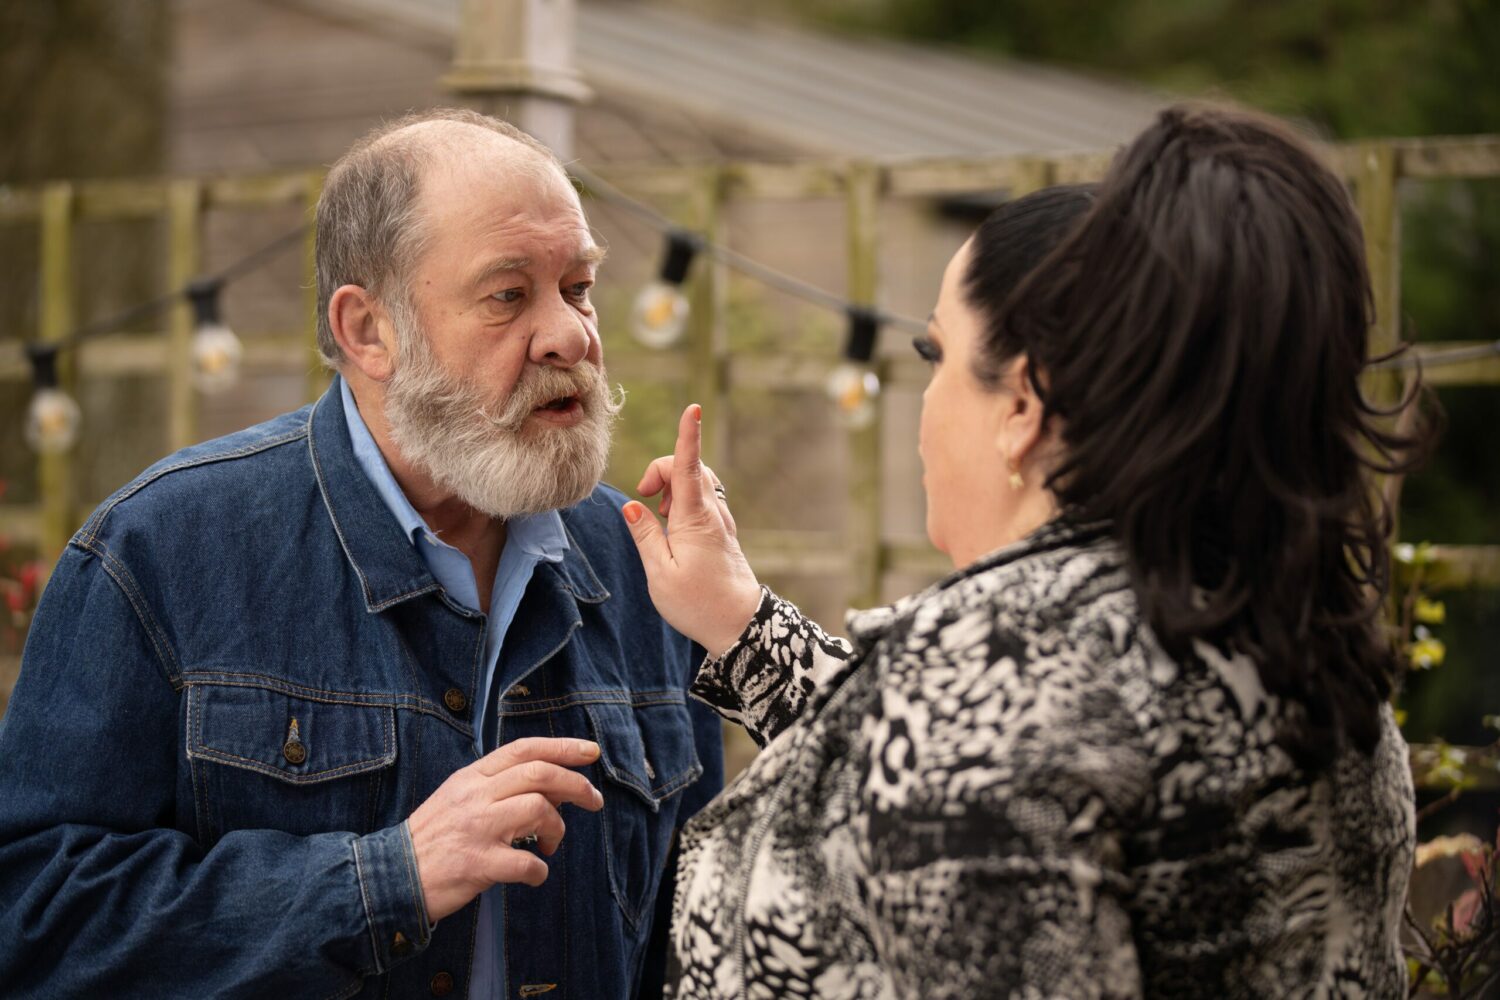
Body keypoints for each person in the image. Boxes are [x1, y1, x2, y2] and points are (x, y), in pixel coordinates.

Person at [622, 105, 1426, 998]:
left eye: (937, 353)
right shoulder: (1282, 639)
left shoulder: (982, 720)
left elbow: (982, 765)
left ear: (1023, 406)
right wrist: (744, 627)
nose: (922, 400)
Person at [0, 108, 723, 998]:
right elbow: (32, 918)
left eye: (577, 287)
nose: (570, 335)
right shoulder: (159, 548)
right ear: (367, 331)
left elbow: (696, 950)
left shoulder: (648, 569)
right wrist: (386, 880)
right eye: (508, 295)